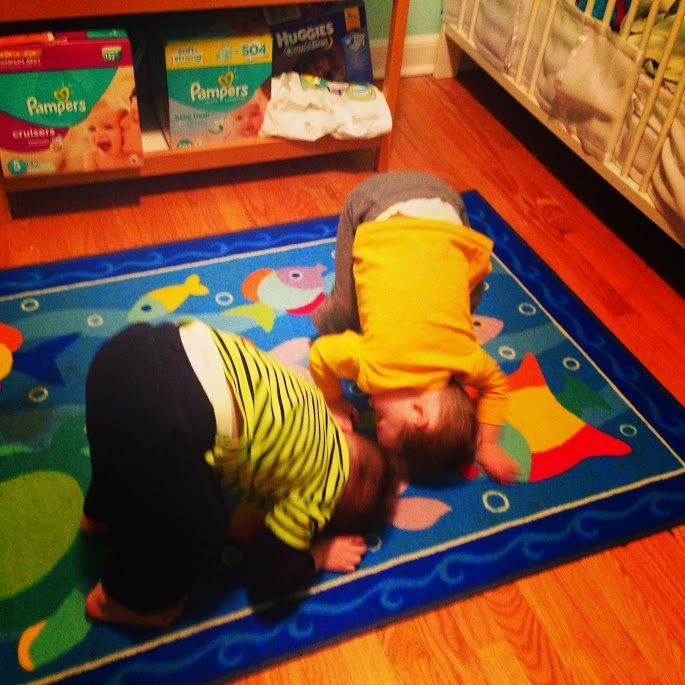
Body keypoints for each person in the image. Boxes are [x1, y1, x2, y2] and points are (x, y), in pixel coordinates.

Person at [81, 319, 398, 629]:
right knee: (201, 524)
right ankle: (115, 599)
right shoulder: (323, 491)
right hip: (164, 415)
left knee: (126, 446)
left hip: (136, 351)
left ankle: (99, 511)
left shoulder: (312, 401)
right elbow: (270, 577)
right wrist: (318, 555)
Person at [308, 171, 520, 484]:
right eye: (381, 418)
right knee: (346, 312)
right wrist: (334, 401)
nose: (370, 406)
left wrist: (486, 442)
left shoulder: (465, 359)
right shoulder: (373, 363)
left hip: (448, 203)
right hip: (373, 203)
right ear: (419, 412)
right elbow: (320, 355)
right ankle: (332, 315)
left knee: (468, 292)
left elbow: (497, 387)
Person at [82, 98, 131, 171]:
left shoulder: (132, 153)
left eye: (108, 127)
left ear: (124, 129)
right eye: (92, 129)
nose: (99, 134)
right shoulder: (92, 158)